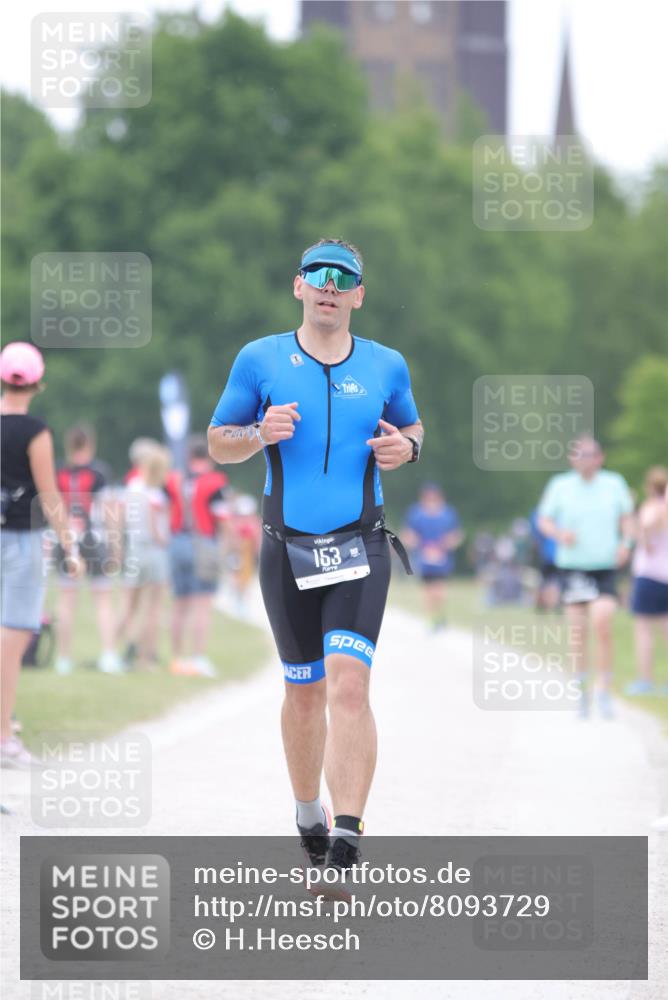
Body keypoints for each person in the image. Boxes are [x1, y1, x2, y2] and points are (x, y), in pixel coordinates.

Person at [207, 238, 422, 876]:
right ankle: (309, 814)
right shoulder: (260, 359)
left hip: (359, 546)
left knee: (350, 686)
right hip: (285, 552)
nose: (330, 286)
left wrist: (407, 451)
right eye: (318, 275)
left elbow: (413, 429)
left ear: (358, 294)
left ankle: (348, 837)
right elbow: (219, 442)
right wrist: (257, 433)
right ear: (298, 286)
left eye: (344, 278)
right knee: (305, 694)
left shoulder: (387, 365)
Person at [1, 343, 82, 767]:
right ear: (39, 382)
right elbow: (48, 496)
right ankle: (4, 737)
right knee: (13, 637)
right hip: (21, 539)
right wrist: (71, 547)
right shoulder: (36, 431)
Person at [538, 435, 635, 719]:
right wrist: (558, 534)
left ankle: (604, 689)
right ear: (572, 459)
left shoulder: (614, 483)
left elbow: (628, 518)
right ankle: (582, 690)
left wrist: (626, 544)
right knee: (578, 632)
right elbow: (544, 520)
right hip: (574, 568)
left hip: (604, 566)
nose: (585, 459)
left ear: (600, 458)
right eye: (579, 454)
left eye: (590, 454)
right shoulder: (560, 486)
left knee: (603, 624)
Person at [54, 424, 122, 675]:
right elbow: (109, 511)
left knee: (66, 601)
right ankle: (108, 655)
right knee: (103, 600)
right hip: (94, 539)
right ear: (90, 445)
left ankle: (63, 660)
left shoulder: (58, 471)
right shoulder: (99, 472)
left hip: (66, 539)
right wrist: (116, 546)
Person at [168, 435, 229, 677]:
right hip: (203, 541)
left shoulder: (174, 480)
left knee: (180, 604)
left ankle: (176, 659)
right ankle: (198, 658)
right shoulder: (215, 482)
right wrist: (223, 552)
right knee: (202, 604)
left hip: (177, 541)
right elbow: (222, 520)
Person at [117, 444, 171, 672]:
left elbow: (121, 517)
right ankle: (146, 657)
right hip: (154, 551)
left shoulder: (132, 487)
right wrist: (162, 538)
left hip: (134, 548)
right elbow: (156, 528)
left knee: (129, 602)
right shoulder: (155, 494)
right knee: (154, 607)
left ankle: (122, 644)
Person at [626, 468, 668, 695]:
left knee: (643, 629)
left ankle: (645, 680)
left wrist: (631, 511)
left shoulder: (653, 507)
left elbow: (643, 531)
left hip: (649, 574)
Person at [402, 483, 463, 629]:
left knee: (440, 589)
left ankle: (439, 616)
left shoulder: (448, 513)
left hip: (442, 557)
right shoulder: (416, 513)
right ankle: (431, 620)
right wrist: (417, 545)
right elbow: (408, 534)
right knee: (428, 589)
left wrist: (446, 545)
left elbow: (456, 534)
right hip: (424, 557)